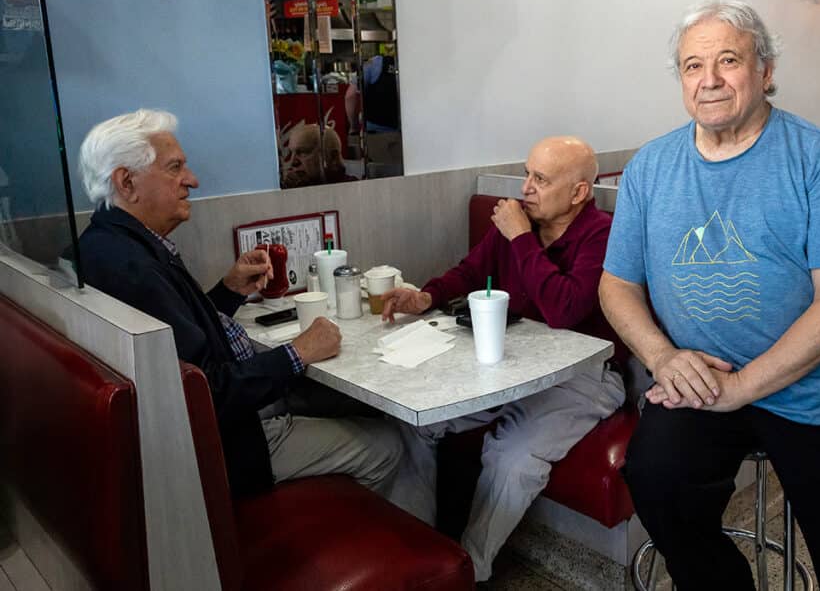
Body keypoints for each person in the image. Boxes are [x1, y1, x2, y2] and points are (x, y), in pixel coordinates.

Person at [599, 0, 820, 589]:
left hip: (817, 387)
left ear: (766, 71)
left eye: (728, 60)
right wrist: (663, 359)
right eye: (692, 66)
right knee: (656, 480)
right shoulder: (650, 168)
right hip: (700, 380)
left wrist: (741, 389)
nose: (709, 81)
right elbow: (617, 284)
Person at [77, 109, 401, 498]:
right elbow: (207, 393)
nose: (192, 180)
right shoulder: (132, 269)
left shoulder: (107, 246)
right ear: (127, 182)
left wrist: (229, 291)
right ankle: (385, 549)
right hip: (232, 444)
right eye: (175, 167)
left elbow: (181, 339)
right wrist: (297, 353)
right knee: (387, 445)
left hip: (228, 415)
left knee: (358, 404)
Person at [381, 136, 626, 582]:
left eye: (541, 179)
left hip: (583, 377)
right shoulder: (521, 220)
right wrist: (427, 295)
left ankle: (469, 568)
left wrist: (520, 237)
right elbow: (471, 271)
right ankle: (418, 557)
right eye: (526, 174)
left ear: (578, 193)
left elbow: (564, 309)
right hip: (514, 363)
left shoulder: (602, 234)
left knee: (512, 457)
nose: (526, 187)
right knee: (415, 422)